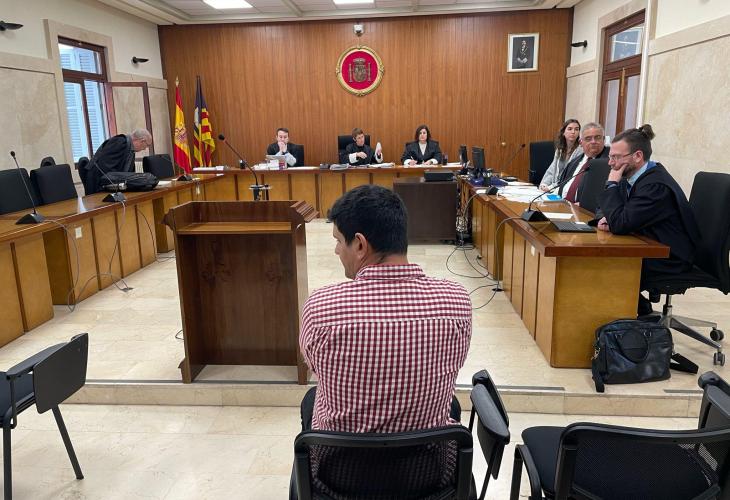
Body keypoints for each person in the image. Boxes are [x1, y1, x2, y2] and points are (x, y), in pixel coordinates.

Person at [299, 185, 472, 433]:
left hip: (340, 457)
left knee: (312, 398)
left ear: (360, 245)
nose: (336, 250)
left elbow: (316, 368)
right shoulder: (456, 302)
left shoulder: (320, 308)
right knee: (451, 405)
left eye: (338, 241)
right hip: (429, 456)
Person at [595, 124, 702, 316]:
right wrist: (606, 217)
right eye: (610, 156)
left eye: (616, 157)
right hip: (649, 245)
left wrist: (611, 185)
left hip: (670, 257)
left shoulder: (655, 186)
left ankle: (638, 317)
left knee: (606, 265)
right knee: (600, 261)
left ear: (637, 156)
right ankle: (638, 312)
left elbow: (620, 223)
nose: (610, 163)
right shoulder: (633, 176)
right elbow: (611, 212)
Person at [83, 128, 152, 195]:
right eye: (147, 145)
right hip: (97, 184)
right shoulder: (120, 142)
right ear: (142, 141)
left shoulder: (130, 149)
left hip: (112, 185)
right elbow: (106, 166)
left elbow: (129, 173)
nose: (144, 149)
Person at [557, 122, 609, 204]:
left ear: (604, 139)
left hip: (584, 210)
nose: (593, 141)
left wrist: (584, 204)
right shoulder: (574, 162)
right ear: (581, 142)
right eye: (588, 139)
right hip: (561, 204)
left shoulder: (609, 162)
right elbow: (561, 184)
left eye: (597, 137)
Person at [539, 119, 583, 191]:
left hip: (566, 190)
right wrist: (544, 184)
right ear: (563, 132)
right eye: (570, 129)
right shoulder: (560, 150)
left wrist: (551, 187)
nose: (573, 132)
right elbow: (551, 171)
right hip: (553, 188)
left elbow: (570, 176)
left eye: (576, 129)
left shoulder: (580, 151)